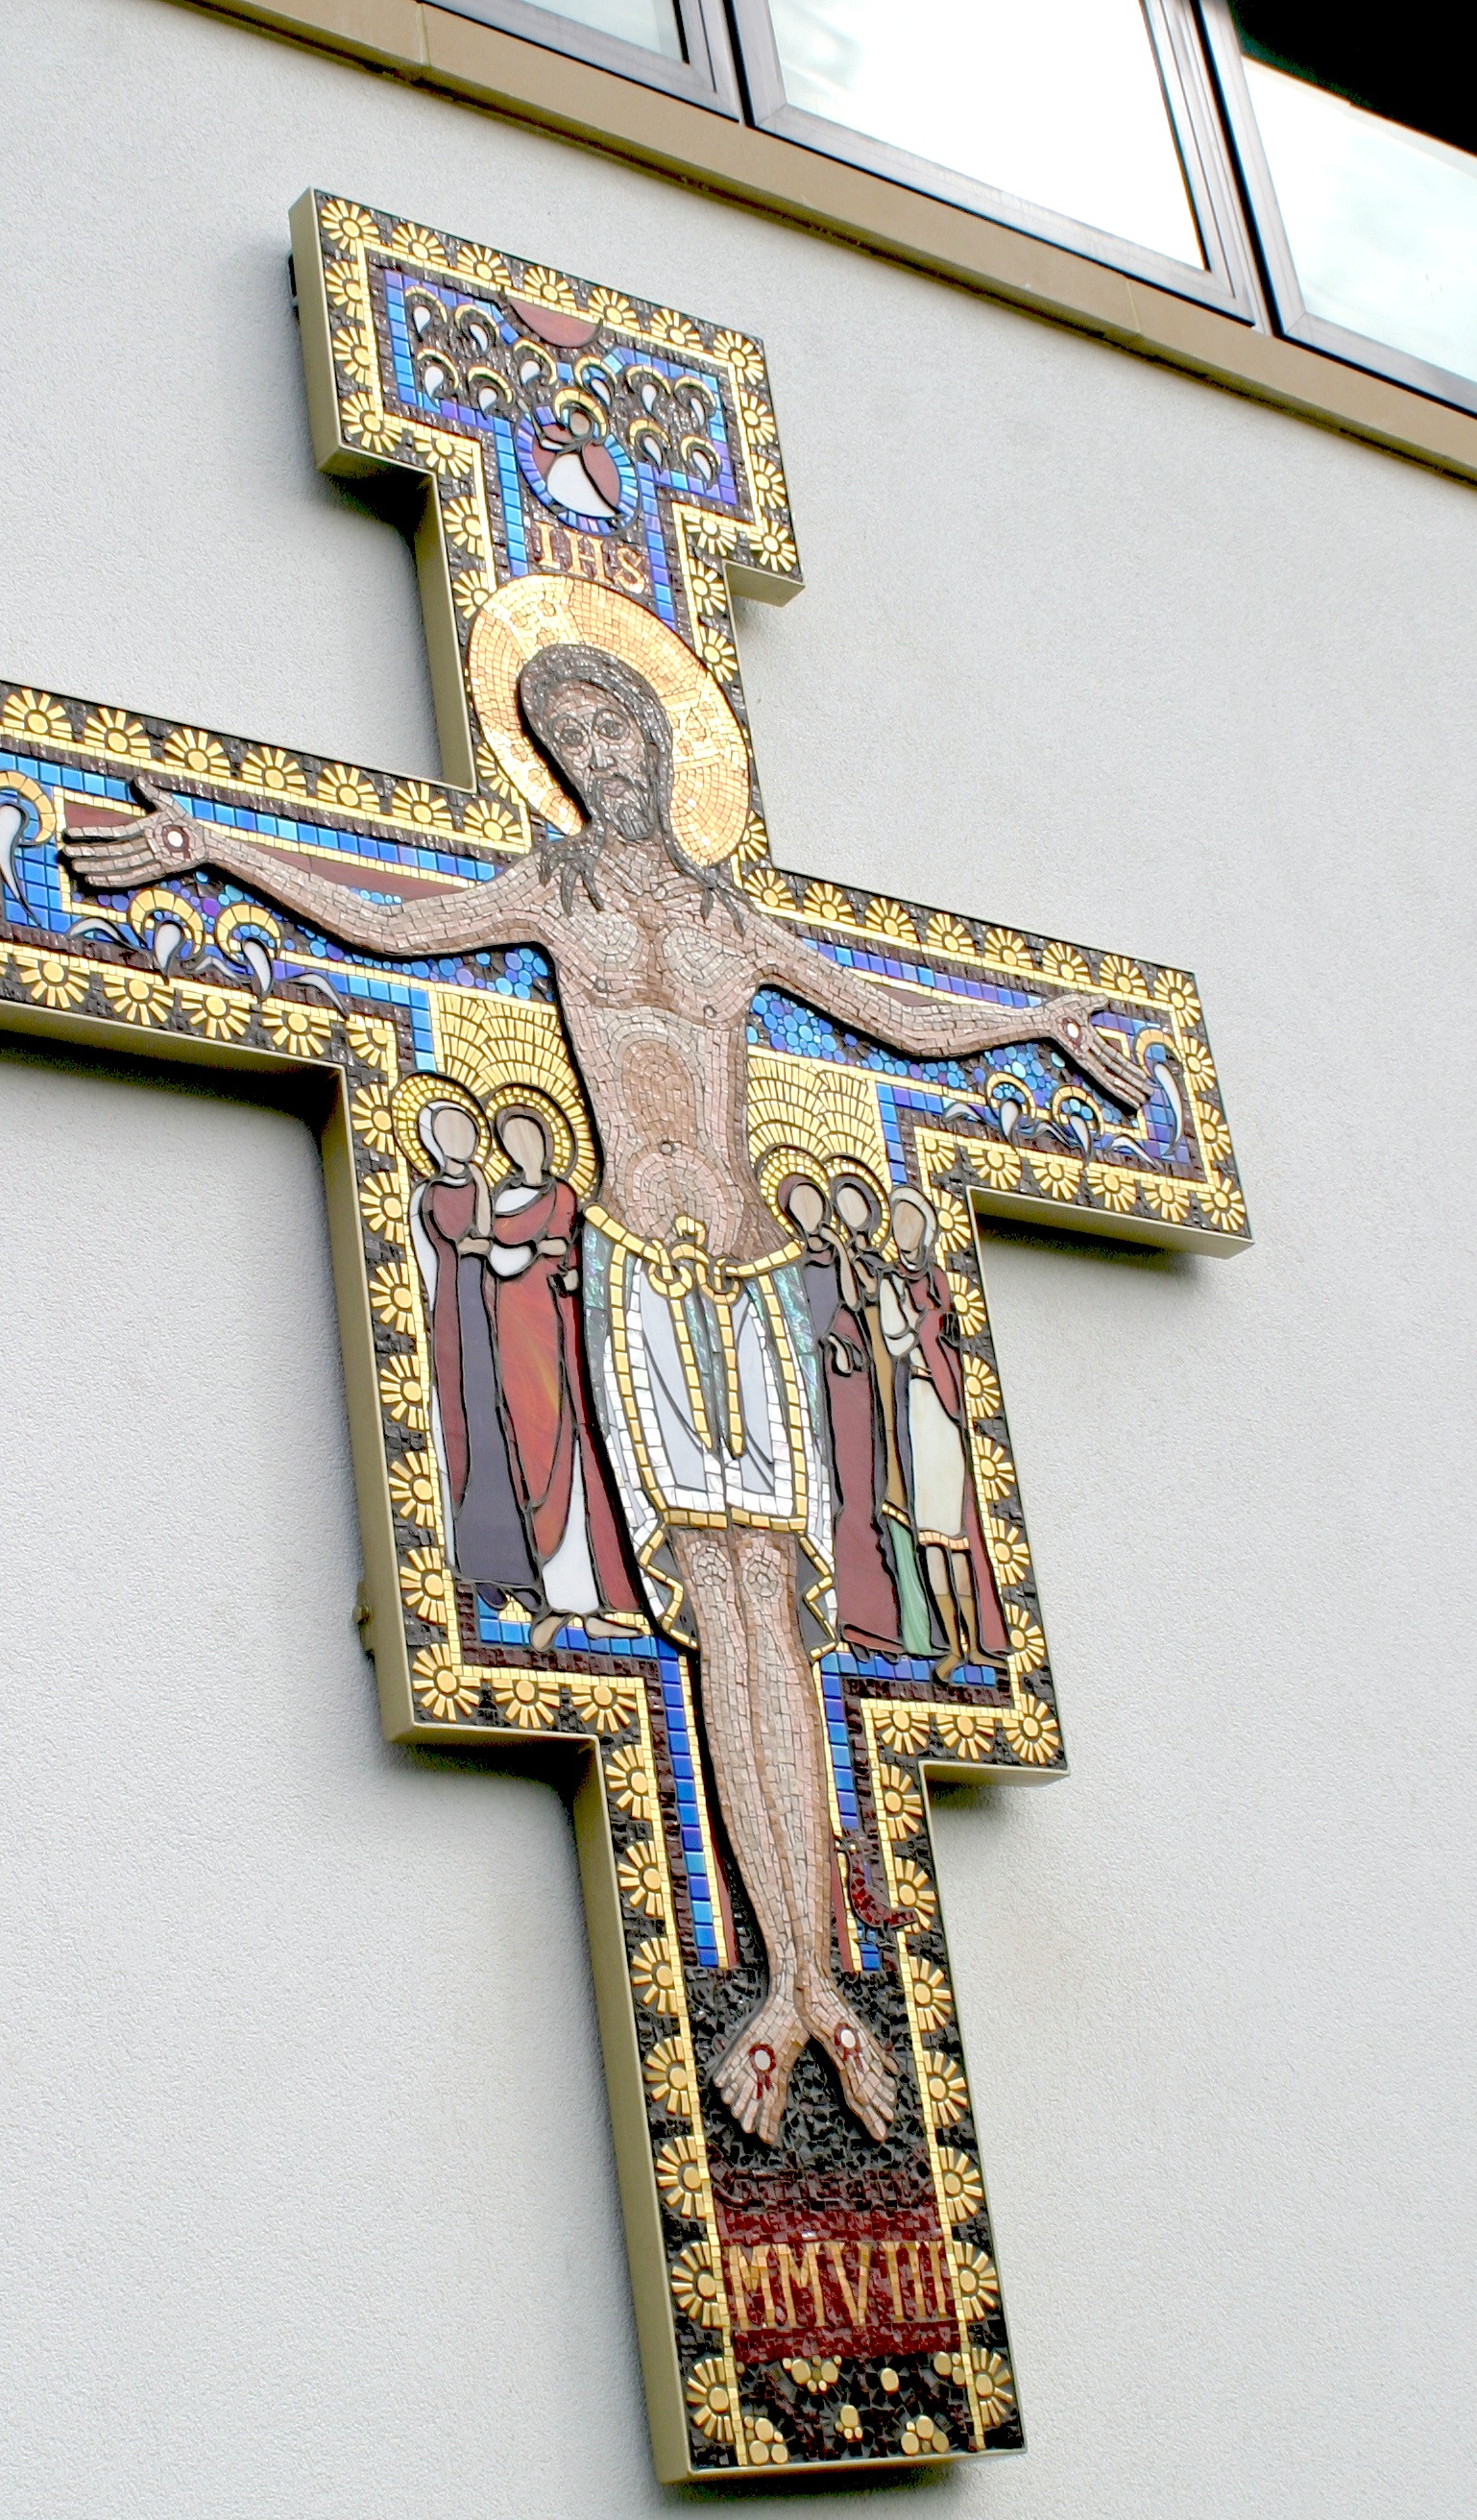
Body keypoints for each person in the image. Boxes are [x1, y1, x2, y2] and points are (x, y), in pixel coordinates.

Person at [65, 636, 1147, 2149]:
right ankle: (782, 1979)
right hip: (636, 1269)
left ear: (653, 729)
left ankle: (816, 1979)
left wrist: (1035, 1023)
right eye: (564, 726)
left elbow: (900, 1016)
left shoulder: (734, 919)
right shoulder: (546, 891)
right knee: (707, 1598)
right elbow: (387, 924)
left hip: (762, 1280)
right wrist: (217, 847)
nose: (597, 745)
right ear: (556, 756)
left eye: (612, 716)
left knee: (777, 1614)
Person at [482, 1102, 643, 1650]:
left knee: (584, 1449)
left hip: (566, 1328)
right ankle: (555, 1596)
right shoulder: (503, 1201)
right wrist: (530, 1249)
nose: (530, 1148)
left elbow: (586, 1253)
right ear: (506, 1146)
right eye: (518, 1138)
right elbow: (495, 1260)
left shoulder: (567, 1197)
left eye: (536, 1137)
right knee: (536, 1449)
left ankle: (595, 1601)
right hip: (519, 1332)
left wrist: (576, 1275)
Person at [781, 1168, 926, 1659]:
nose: (814, 1214)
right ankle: (854, 1621)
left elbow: (860, 1303)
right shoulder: (795, 1262)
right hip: (827, 1382)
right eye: (800, 1206)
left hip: (863, 1380)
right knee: (843, 1498)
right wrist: (828, 1346)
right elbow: (803, 1321)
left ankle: (885, 1624)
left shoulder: (848, 1257)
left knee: (874, 1496)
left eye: (816, 1204)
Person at [877, 1185, 1010, 1684]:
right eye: (898, 1222)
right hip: (922, 1406)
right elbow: (899, 1338)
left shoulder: (938, 1279)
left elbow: (949, 1331)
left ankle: (977, 1644)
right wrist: (928, 1323)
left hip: (951, 1406)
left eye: (912, 1221)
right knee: (931, 1534)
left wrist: (930, 1322)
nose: (904, 1230)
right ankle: (951, 1645)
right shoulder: (892, 1282)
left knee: (959, 1534)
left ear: (926, 1229)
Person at [407, 1099, 539, 1603]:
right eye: (449, 1131)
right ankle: (482, 1565)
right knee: (470, 1427)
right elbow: (455, 1246)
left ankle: (522, 1569)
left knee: (506, 1427)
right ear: (435, 1140)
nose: (461, 1139)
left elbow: (487, 1243)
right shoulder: (430, 1193)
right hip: (457, 1314)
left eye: (466, 1129)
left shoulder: (485, 1186)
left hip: (490, 1307)